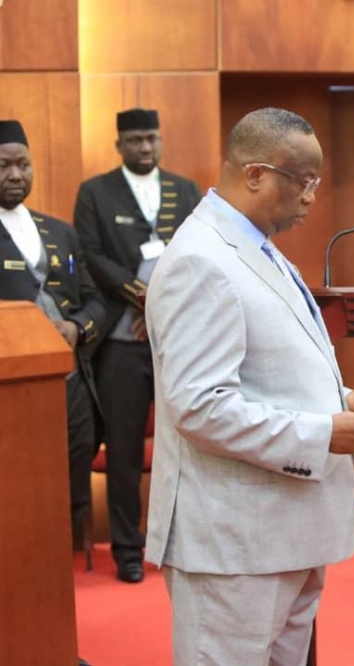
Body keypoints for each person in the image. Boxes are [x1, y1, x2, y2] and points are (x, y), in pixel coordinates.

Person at [144, 107, 354, 665]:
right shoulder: (201, 260)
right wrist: (322, 433)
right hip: (233, 541)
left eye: (315, 183)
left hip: (280, 531)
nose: (310, 197)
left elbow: (270, 367)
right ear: (255, 174)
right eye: (303, 182)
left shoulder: (258, 247)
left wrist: (341, 399)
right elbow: (200, 406)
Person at [73, 108, 202, 583]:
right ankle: (128, 549)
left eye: (151, 139)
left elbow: (198, 251)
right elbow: (89, 255)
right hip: (121, 338)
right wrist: (141, 298)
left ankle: (184, 540)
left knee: (191, 440)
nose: (144, 148)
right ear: (118, 145)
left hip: (178, 338)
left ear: (160, 140)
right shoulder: (95, 192)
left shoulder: (185, 190)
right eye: (134, 141)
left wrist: (163, 306)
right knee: (125, 449)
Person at [0, 119, 105, 541]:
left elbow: (94, 298)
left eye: (23, 165)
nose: (15, 175)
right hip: (12, 380)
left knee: (78, 452)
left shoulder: (60, 231)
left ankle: (60, 546)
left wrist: (78, 327)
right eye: (4, 166)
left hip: (70, 373)